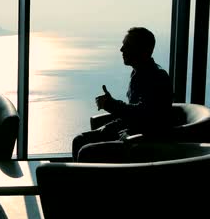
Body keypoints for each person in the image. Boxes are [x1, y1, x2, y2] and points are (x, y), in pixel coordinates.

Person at [71, 27, 172, 161]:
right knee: (79, 141)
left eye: (127, 46)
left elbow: (144, 115)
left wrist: (112, 105)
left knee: (85, 151)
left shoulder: (157, 78)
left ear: (143, 49)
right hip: (128, 130)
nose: (121, 50)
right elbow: (136, 111)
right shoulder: (139, 74)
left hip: (141, 140)